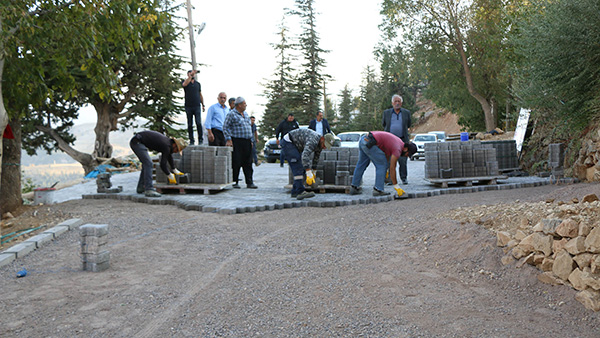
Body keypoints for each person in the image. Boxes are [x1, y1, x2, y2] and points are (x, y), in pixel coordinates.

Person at [349, 131, 416, 197]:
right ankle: (378, 189)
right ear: (406, 149)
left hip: (364, 139)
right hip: (370, 142)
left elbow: (386, 154)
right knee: (381, 166)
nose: (407, 156)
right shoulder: (398, 149)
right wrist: (396, 186)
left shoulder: (398, 143)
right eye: (408, 154)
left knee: (362, 164)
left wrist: (386, 169)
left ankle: (354, 187)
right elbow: (392, 168)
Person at [129, 130, 188, 197]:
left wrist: (174, 168)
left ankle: (141, 187)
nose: (176, 152)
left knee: (146, 164)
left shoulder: (168, 143)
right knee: (148, 164)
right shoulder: (166, 145)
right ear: (174, 145)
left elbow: (169, 156)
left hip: (138, 141)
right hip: (137, 142)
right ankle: (149, 189)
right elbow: (162, 164)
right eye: (177, 150)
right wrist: (169, 174)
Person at [281, 128, 335, 200]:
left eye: (326, 146)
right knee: (298, 166)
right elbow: (305, 156)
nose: (324, 147)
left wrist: (314, 171)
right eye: (325, 145)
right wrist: (308, 172)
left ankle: (295, 191)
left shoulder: (320, 144)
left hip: (296, 145)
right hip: (289, 142)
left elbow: (316, 157)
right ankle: (299, 191)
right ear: (322, 139)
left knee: (303, 167)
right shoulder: (313, 140)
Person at [223, 97, 257, 189]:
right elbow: (226, 127)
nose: (246, 105)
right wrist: (228, 139)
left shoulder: (245, 114)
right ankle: (235, 181)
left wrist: (251, 140)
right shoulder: (231, 114)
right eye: (244, 103)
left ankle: (249, 182)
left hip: (247, 141)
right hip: (237, 140)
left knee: (248, 162)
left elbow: (249, 127)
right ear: (239, 105)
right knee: (236, 161)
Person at [382, 94, 412, 184]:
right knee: (390, 160)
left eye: (399, 101)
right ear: (392, 103)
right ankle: (391, 179)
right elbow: (384, 124)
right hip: (390, 142)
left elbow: (409, 124)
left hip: (402, 140)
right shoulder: (386, 113)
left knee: (403, 160)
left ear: (401, 103)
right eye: (395, 101)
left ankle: (404, 178)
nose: (397, 103)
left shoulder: (406, 113)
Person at [182, 70, 205, 145]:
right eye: (190, 73)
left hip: (197, 106)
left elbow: (200, 94)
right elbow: (184, 84)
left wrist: (203, 104)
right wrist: (189, 76)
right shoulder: (185, 82)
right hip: (188, 106)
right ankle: (191, 140)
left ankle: (200, 139)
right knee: (190, 124)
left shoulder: (198, 84)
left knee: (198, 122)